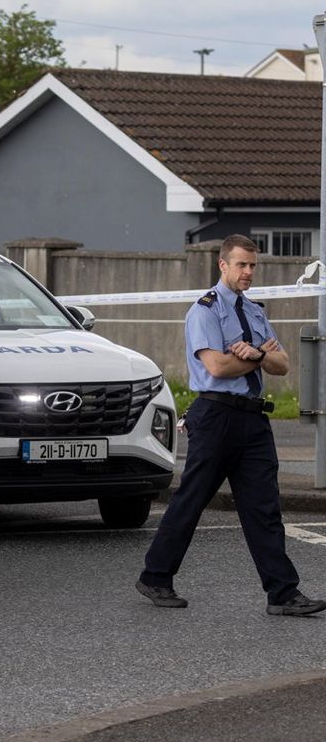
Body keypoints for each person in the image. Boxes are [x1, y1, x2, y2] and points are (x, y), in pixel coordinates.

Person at [137, 234, 325, 616]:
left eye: (253, 265)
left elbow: (284, 363)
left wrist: (254, 353)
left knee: (264, 507)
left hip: (253, 419)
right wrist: (260, 358)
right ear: (223, 265)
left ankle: (283, 594)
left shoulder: (254, 311)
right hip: (216, 415)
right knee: (191, 501)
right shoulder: (204, 311)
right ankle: (156, 576)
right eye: (241, 264)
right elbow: (217, 367)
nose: (249, 272)